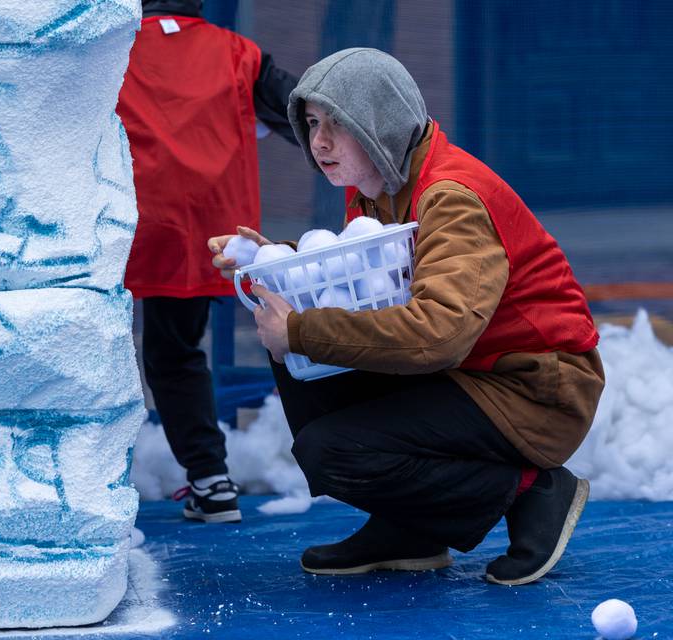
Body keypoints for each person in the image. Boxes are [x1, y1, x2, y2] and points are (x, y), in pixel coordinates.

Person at [208, 48, 604, 585]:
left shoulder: (452, 197)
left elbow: (440, 333)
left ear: (379, 123)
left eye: (336, 123)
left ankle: (534, 492)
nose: (319, 141)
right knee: (303, 360)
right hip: (470, 372)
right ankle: (411, 528)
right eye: (312, 123)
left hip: (532, 388)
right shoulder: (379, 188)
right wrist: (271, 259)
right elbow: (368, 288)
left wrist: (300, 330)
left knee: (330, 444)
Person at [116, 0, 299, 523]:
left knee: (87, 347)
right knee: (176, 352)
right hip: (208, 229)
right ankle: (210, 479)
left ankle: (75, 483)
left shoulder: (112, 47)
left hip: (121, 217)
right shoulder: (238, 53)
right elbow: (304, 114)